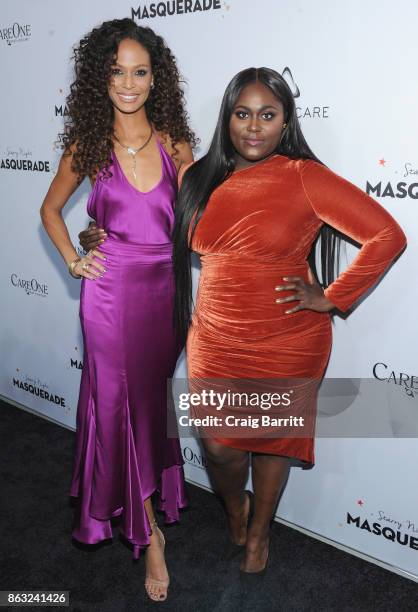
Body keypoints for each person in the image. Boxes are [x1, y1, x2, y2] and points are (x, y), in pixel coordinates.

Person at [172, 67, 407, 576]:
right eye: (242, 113)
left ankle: (259, 535)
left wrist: (333, 296)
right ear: (227, 118)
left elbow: (387, 235)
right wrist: (97, 239)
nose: (254, 126)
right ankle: (237, 508)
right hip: (215, 337)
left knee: (273, 440)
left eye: (267, 114)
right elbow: (162, 241)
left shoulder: (303, 176)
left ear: (285, 121)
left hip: (287, 337)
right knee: (219, 448)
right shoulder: (197, 177)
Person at [40, 18, 195, 601]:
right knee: (116, 406)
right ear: (98, 78)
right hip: (108, 295)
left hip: (165, 292)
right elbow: (51, 210)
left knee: (149, 403)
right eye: (116, 71)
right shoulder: (87, 144)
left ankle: (140, 506)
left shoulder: (176, 144)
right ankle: (150, 533)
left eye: (139, 72)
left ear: (155, 79)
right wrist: (75, 257)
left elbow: (197, 222)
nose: (128, 83)